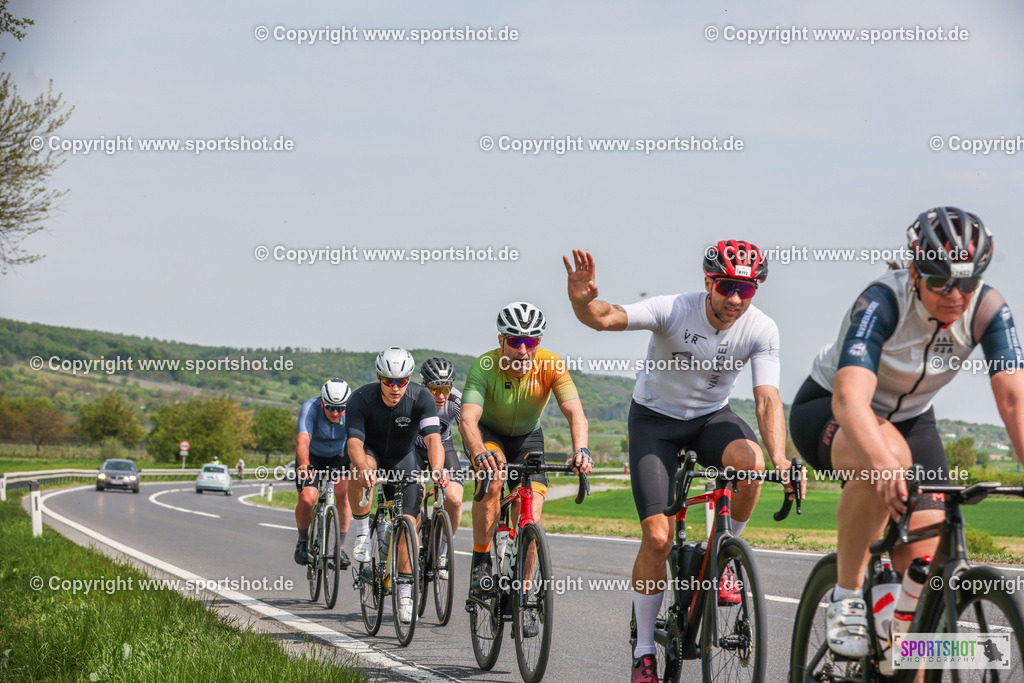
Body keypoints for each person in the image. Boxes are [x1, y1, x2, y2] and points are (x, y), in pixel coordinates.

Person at [789, 207, 1024, 658]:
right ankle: (846, 596)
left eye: (969, 282)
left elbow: (1014, 401)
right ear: (915, 271)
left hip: (915, 419)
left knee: (923, 590)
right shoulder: (882, 301)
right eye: (940, 282)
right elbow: (850, 400)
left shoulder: (989, 310)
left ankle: (898, 644)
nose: (956, 295)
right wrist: (879, 464)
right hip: (829, 408)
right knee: (889, 456)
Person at [564, 244, 802, 683]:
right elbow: (606, 317)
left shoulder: (762, 328)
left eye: (746, 288)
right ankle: (643, 650)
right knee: (657, 538)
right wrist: (583, 303)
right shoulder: (674, 308)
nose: (735, 298)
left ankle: (724, 557)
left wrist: (781, 458)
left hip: (711, 419)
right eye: (727, 286)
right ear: (709, 283)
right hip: (655, 422)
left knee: (750, 463)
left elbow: (767, 398)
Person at [460, 301, 593, 615]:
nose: (522, 349)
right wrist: (479, 453)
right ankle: (481, 560)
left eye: (530, 341)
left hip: (528, 437)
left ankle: (524, 595)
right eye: (514, 341)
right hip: (488, 434)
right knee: (493, 481)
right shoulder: (484, 366)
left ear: (539, 343)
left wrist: (582, 450)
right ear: (500, 341)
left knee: (530, 513)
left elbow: (576, 413)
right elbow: (467, 419)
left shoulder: (551, 364)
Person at [347, 347, 450, 624]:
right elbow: (355, 442)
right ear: (379, 377)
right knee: (360, 468)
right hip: (372, 453)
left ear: (410, 378)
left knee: (408, 525)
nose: (395, 388)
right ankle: (362, 535)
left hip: (404, 459)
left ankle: (405, 592)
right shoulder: (361, 398)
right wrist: (365, 468)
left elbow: (432, 439)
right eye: (389, 381)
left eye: (402, 381)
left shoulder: (422, 397)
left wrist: (437, 469)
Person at [293, 378, 353, 570]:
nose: (335, 413)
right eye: (330, 408)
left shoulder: (353, 410)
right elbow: (303, 439)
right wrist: (304, 464)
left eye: (340, 408)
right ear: (322, 402)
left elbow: (357, 442)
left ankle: (340, 548)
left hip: (339, 455)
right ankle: (302, 541)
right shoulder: (310, 407)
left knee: (343, 493)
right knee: (307, 498)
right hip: (312, 456)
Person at [414, 357, 465, 578]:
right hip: (414, 448)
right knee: (416, 494)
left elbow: (468, 432)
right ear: (424, 386)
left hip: (443, 446)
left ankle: (443, 550)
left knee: (454, 499)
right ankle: (410, 542)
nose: (442, 396)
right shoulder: (412, 397)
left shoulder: (456, 400)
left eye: (446, 388)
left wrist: (478, 459)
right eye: (435, 390)